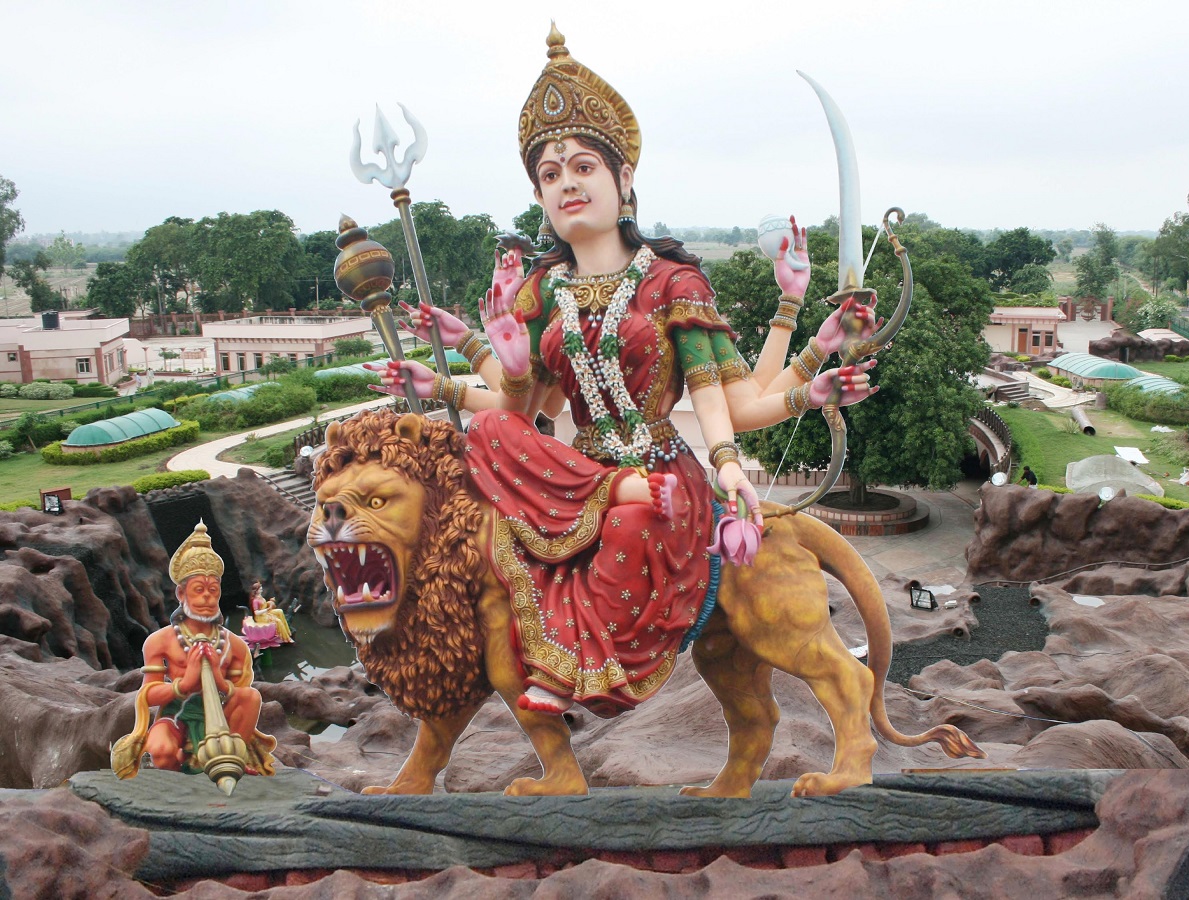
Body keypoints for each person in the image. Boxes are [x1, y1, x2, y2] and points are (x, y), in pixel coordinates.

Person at [368, 25, 879, 718]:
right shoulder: (542, 291)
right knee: (485, 441)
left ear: (623, 177)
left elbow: (716, 394)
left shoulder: (673, 280)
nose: (566, 184)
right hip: (583, 476)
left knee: (633, 518)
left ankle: (587, 660)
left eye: (582, 166)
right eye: (550, 175)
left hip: (662, 476)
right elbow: (520, 416)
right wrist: (468, 372)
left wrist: (731, 458)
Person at [111, 521, 275, 777]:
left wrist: (219, 681)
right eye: (198, 590)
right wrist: (185, 684)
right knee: (162, 751)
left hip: (221, 714)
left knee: (251, 697)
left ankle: (233, 754)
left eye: (214, 590)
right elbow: (147, 694)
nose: (208, 598)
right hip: (176, 713)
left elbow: (242, 693)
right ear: (181, 593)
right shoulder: (160, 640)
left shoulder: (235, 645)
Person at [248, 579, 294, 644]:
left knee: (280, 611)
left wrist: (270, 602)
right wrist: (267, 609)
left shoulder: (260, 596)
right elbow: (256, 612)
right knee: (278, 621)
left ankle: (287, 631)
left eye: (261, 588)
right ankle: (285, 638)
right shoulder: (255, 601)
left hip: (265, 612)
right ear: (256, 591)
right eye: (260, 589)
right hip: (261, 617)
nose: (262, 589)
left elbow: (264, 605)